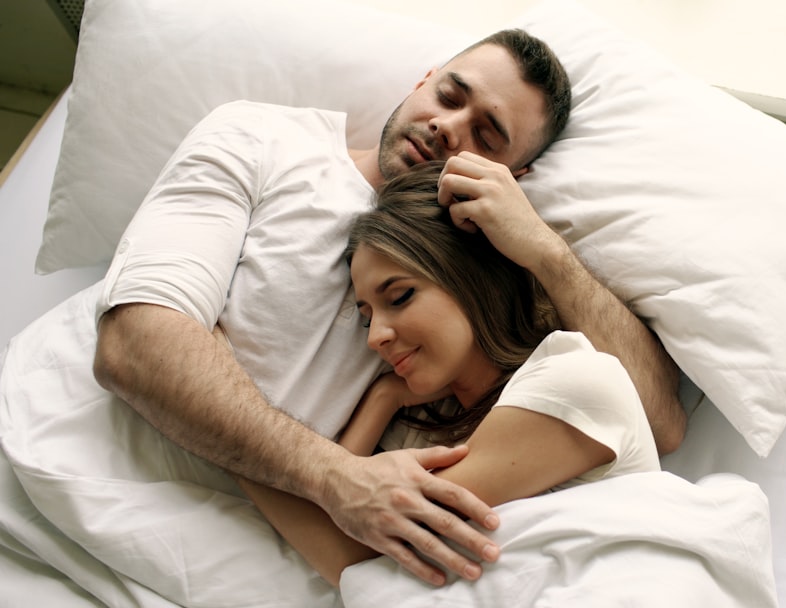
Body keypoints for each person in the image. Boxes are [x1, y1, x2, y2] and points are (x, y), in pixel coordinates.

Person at [90, 29, 685, 587]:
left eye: (487, 136)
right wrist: (347, 458)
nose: (449, 127)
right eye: (449, 95)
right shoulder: (269, 140)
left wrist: (544, 250)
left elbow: (660, 422)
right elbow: (132, 344)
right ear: (423, 80)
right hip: (126, 504)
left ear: (514, 177)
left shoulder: (543, 373)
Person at [228, 161, 661, 587]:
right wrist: (383, 399)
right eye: (366, 317)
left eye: (399, 296)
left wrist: (224, 432)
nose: (375, 336)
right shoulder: (417, 434)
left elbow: (351, 555)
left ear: (469, 277)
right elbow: (340, 514)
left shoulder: (576, 380)